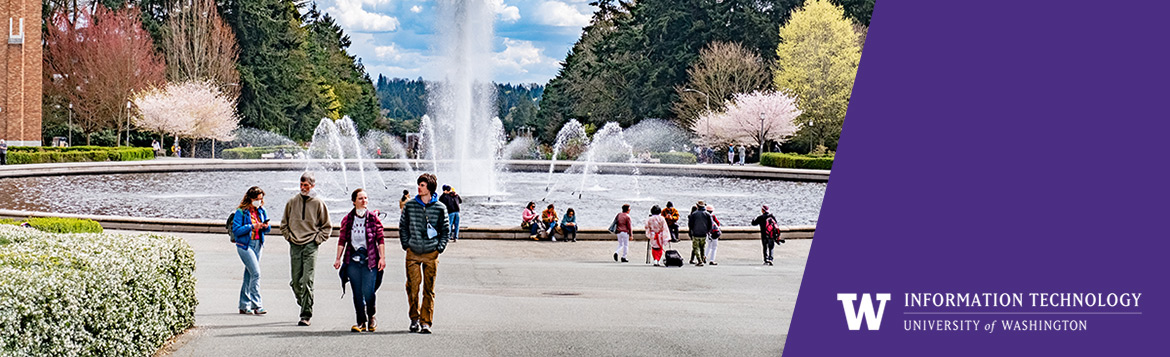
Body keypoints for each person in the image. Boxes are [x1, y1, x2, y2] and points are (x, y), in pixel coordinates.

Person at [400, 173, 450, 334]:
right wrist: (406, 244)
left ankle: (426, 322)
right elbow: (403, 226)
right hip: (413, 251)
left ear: (429, 188)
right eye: (419, 185)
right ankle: (414, 318)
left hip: (431, 252)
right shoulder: (410, 205)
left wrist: (439, 247)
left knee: (429, 290)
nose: (419, 188)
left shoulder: (440, 208)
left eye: (422, 185)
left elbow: (445, 230)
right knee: (412, 287)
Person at [281, 172, 332, 326]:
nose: (303, 188)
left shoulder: (318, 203)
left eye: (306, 185)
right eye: (301, 185)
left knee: (307, 280)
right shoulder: (292, 202)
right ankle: (303, 301)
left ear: (312, 186)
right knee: (296, 282)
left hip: (311, 245)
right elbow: (284, 223)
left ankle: (306, 314)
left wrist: (317, 240)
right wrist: (289, 237)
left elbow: (327, 226)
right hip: (295, 245)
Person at [334, 188, 386, 333]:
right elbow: (342, 240)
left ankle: (372, 316)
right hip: (353, 260)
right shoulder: (348, 219)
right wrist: (338, 259)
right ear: (354, 201)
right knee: (357, 292)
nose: (364, 201)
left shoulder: (373, 218)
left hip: (370, 260)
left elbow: (380, 239)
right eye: (361, 198)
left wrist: (382, 257)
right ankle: (361, 321)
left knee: (369, 291)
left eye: (366, 198)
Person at [232, 186, 270, 315]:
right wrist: (253, 226)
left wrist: (265, 226)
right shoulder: (241, 212)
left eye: (261, 199)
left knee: (249, 275)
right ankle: (257, 305)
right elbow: (236, 230)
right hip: (245, 245)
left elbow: (267, 229)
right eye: (257, 199)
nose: (259, 202)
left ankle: (243, 305)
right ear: (250, 198)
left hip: (258, 244)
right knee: (256, 273)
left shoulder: (261, 210)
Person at [687, 201, 712, 266]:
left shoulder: (694, 214)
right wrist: (707, 231)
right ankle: (702, 259)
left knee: (696, 248)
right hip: (704, 233)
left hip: (695, 233)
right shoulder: (707, 214)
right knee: (702, 247)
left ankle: (699, 260)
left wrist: (692, 231)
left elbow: (690, 224)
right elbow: (710, 224)